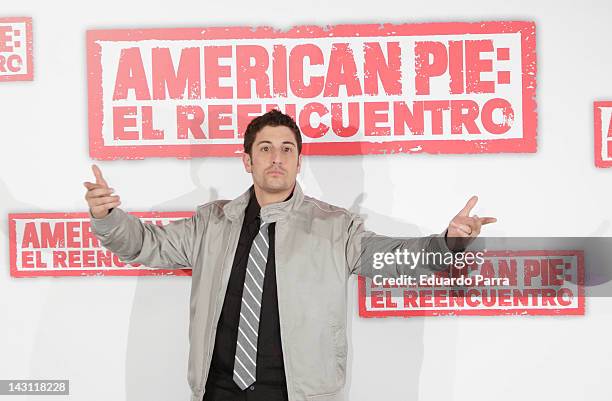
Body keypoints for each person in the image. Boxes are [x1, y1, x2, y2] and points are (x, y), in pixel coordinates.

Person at [84, 109, 496, 401]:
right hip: (217, 391)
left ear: (299, 162)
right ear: (247, 161)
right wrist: (108, 216)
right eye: (264, 148)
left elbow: (393, 258)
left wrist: (449, 242)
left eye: (286, 149)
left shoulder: (335, 226)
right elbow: (144, 244)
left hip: (297, 393)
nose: (276, 157)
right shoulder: (213, 222)